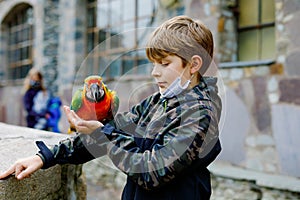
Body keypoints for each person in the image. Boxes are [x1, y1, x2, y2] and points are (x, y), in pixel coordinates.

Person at [0, 15, 222, 200]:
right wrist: (45, 157)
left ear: (194, 64)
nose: (155, 72)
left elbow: (151, 172)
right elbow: (114, 129)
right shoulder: (159, 101)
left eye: (164, 64)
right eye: (154, 63)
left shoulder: (200, 113)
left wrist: (102, 134)